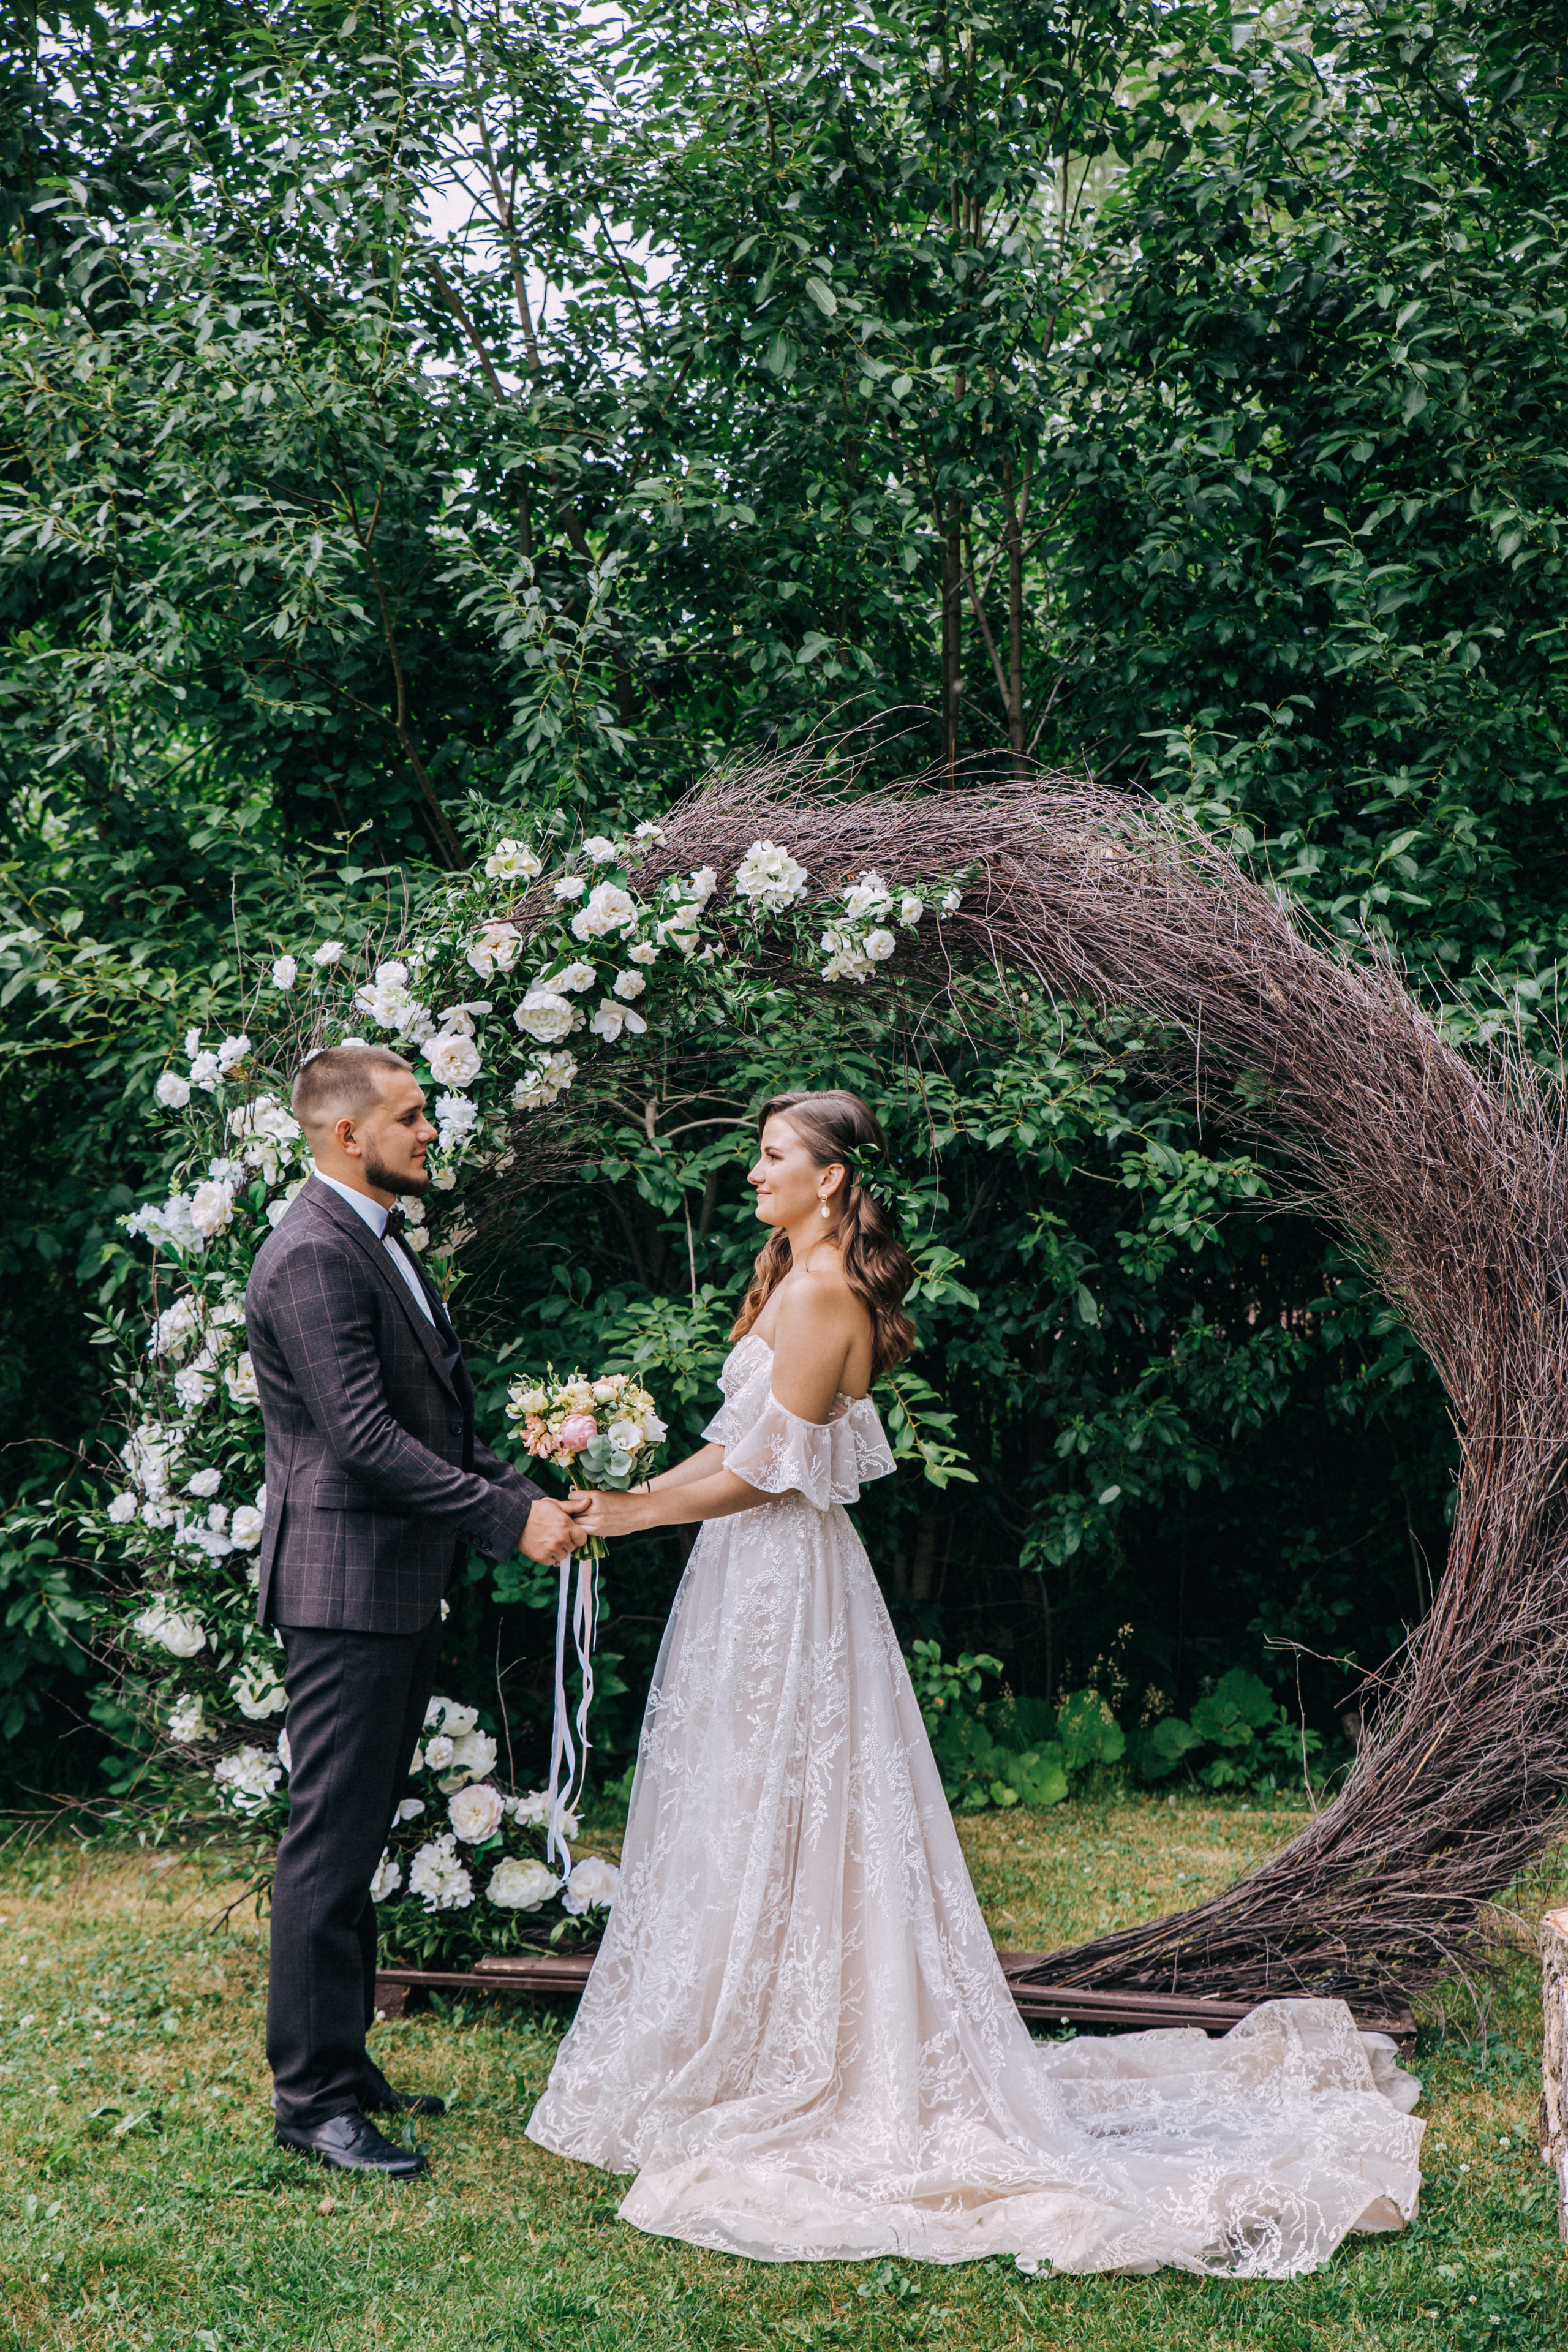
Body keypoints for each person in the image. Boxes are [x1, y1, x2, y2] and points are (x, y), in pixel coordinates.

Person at [526, 1087, 1424, 2274]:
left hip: (780, 1583)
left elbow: (763, 1473)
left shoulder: (820, 1292)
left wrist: (632, 1515)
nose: (752, 1174)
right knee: (751, 1809)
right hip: (757, 1578)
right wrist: (633, 1494)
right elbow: (740, 1449)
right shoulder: (795, 1278)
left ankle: (796, 2062)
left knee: (786, 1805)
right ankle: (745, 2034)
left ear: (831, 1177)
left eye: (772, 1157)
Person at [246, 1044, 583, 2179]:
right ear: (349, 1135)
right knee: (329, 1847)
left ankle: (346, 2063)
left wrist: (529, 1495)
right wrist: (504, 1524)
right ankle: (314, 2104)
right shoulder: (311, 1254)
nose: (430, 1131)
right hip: (343, 1589)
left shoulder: (374, 1239)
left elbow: (434, 1426)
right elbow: (364, 1442)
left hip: (390, 1583)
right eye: (411, 1115)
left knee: (358, 1835)